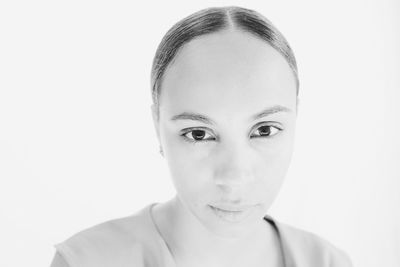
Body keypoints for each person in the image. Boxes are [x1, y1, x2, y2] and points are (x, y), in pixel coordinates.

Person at [50, 6, 353, 267]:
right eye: (199, 134)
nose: (234, 178)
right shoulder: (86, 261)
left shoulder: (329, 262)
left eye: (264, 130)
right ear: (157, 124)